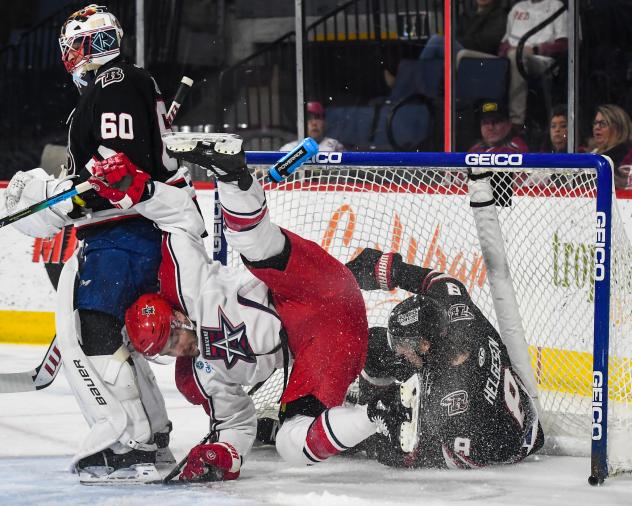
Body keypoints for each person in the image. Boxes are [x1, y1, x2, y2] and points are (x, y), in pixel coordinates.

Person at [114, 135, 415, 481]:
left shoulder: (186, 285)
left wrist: (135, 187)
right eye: (167, 349)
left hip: (314, 288)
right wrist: (222, 455)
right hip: (326, 345)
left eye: (173, 334)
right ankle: (383, 411)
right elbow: (236, 422)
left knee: (249, 242)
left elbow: (179, 214)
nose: (177, 346)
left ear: (177, 314)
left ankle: (230, 173)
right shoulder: (195, 377)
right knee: (291, 444)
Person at [3, 5, 190, 480]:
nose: (68, 56)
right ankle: (154, 434)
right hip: (131, 229)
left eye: (73, 46)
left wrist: (55, 207)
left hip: (125, 234)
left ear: (94, 45)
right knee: (109, 331)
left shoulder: (113, 87)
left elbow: (119, 179)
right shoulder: (124, 86)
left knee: (98, 332)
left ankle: (134, 443)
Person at [344, 246, 545, 469]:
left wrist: (386, 442)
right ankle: (365, 402)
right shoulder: (458, 316)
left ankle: (364, 421)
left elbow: (456, 455)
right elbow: (442, 283)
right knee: (375, 346)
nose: (398, 350)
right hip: (493, 402)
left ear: (424, 344)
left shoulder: (453, 394)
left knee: (382, 444)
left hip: (508, 443)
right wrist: (389, 270)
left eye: (401, 344)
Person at [498, 0, 568, 128]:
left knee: (516, 57)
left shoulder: (556, 5)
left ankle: (516, 122)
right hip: (512, 56)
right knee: (465, 58)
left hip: (542, 61)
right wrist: (508, 50)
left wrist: (535, 49)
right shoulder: (518, 8)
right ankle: (488, 118)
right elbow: (504, 44)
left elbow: (564, 44)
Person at [419, 0, 507, 63]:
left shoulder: (499, 14)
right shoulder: (470, 12)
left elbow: (488, 42)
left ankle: (417, 80)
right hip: (463, 49)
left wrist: (458, 42)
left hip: (478, 55)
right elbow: (456, 32)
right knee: (437, 43)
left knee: (437, 41)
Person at [587, 104, 632, 189]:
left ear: (618, 128)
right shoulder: (592, 153)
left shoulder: (626, 157)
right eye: (595, 123)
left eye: (603, 123)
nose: (597, 127)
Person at [280, 101, 344, 152]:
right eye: (309, 118)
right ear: (299, 123)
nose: (314, 123)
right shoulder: (289, 149)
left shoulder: (335, 147)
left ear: (324, 122)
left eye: (317, 117)